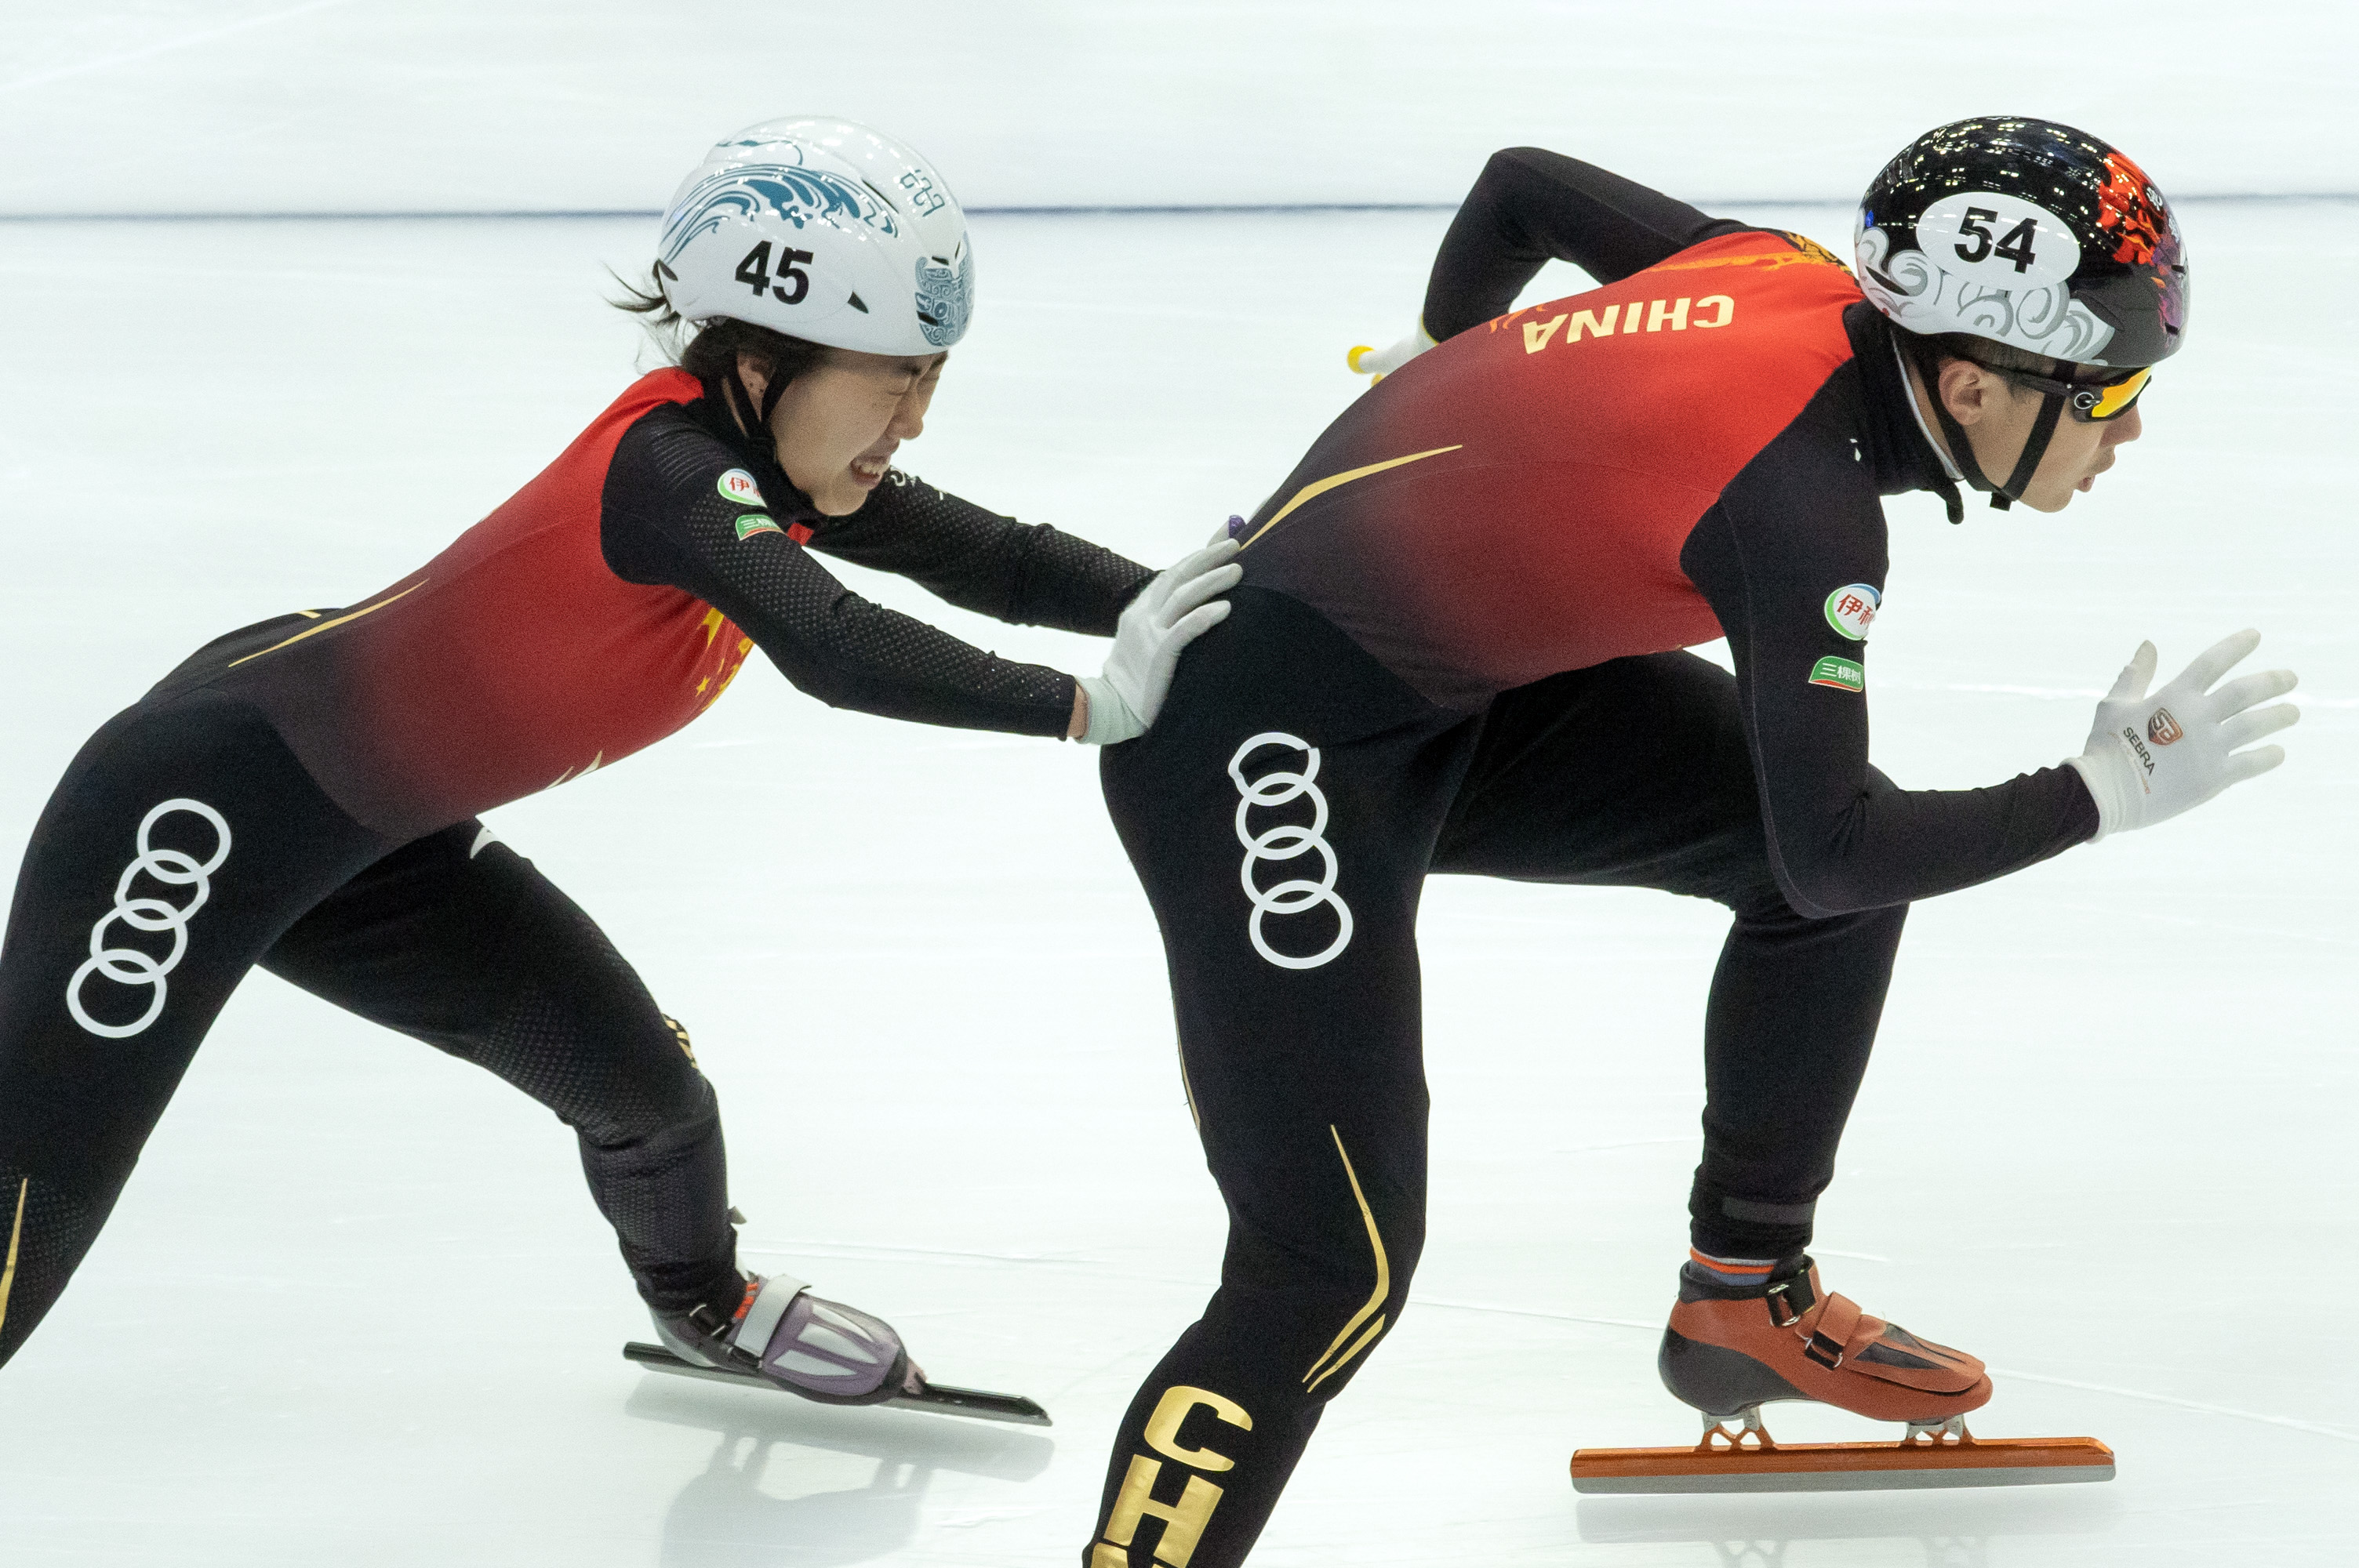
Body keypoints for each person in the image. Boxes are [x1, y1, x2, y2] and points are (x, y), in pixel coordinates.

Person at [1078, 117, 2297, 1566]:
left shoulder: (1783, 271)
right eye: (2111, 392)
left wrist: (1440, 351)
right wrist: (2102, 793)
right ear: (1971, 382)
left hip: (1441, 696)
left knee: (1817, 872)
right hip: (1258, 749)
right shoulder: (1806, 508)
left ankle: (1742, 1293)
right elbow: (1838, 846)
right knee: (1321, 1268)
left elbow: (1520, 186)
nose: (2131, 430)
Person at [0, 117, 1240, 1407]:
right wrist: (1086, 708)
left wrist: (1207, 612)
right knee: (28, 1218)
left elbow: (998, 557)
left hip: (379, 841)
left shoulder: (773, 473)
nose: (919, 421)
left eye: (933, 376)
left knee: (652, 1102)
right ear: (764, 358)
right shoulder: (673, 473)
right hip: (203, 806)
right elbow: (833, 645)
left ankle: (709, 1309)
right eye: (896, 378)